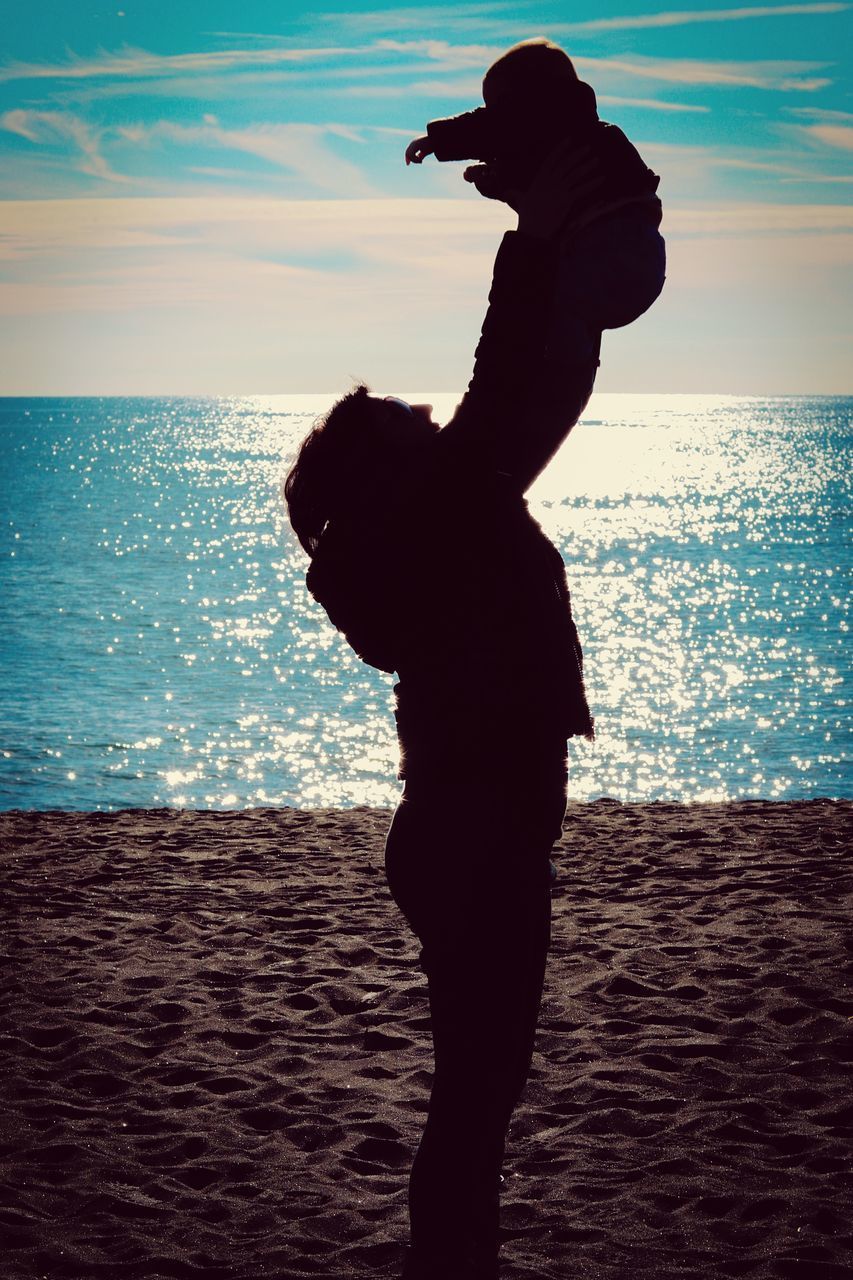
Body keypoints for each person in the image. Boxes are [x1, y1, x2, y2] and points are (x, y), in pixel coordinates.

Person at [285, 148, 596, 1280]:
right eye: (411, 420)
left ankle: (459, 1260)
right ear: (387, 469)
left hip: (460, 829)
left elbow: (528, 388)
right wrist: (535, 233)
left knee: (477, 1088)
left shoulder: (430, 527)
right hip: (474, 832)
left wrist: (545, 239)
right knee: (476, 1091)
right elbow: (508, 375)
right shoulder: (441, 517)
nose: (432, 417)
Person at [405, 37, 666, 373]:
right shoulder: (590, 134)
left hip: (603, 251)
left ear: (525, 101)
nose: (494, 118)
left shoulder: (542, 120)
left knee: (557, 306)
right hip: (647, 260)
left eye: (496, 108)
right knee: (566, 306)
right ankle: (571, 361)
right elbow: (538, 176)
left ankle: (563, 368)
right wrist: (499, 180)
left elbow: (494, 131)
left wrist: (436, 140)